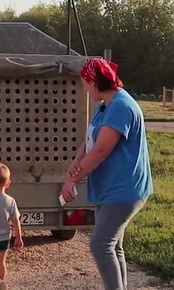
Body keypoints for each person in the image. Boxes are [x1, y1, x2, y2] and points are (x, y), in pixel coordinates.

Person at [60, 59, 153, 290]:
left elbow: (101, 150)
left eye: (85, 84)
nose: (85, 89)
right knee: (114, 246)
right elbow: (91, 139)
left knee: (101, 244)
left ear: (94, 81)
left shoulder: (121, 106)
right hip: (108, 189)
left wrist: (72, 179)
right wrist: (76, 161)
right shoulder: (105, 105)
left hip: (124, 190)